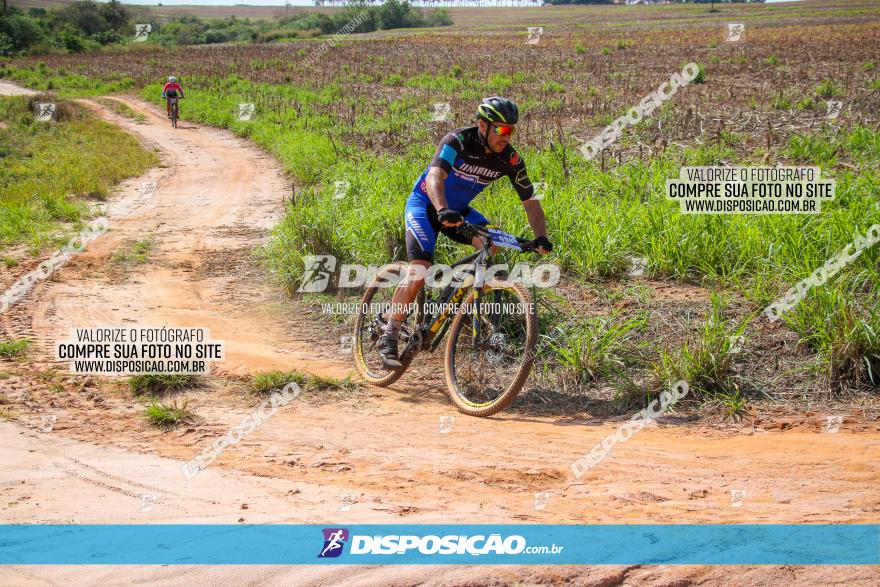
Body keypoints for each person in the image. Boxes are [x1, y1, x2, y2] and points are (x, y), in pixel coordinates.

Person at [378, 96, 552, 368]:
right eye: (501, 129)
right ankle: (390, 333)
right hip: (426, 204)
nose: (507, 136)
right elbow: (435, 177)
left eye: (512, 131)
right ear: (483, 125)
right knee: (420, 267)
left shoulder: (511, 159)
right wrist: (442, 209)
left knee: (490, 243)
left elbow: (530, 201)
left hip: (458, 210)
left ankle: (459, 298)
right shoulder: (457, 141)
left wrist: (541, 236)